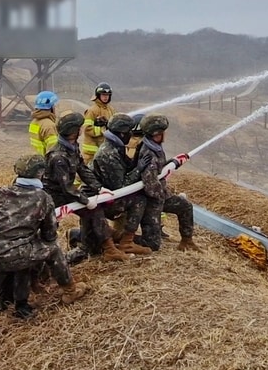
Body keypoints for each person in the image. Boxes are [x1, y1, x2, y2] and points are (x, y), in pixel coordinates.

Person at [0, 156, 88, 370]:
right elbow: (50, 235)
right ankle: (69, 290)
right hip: (20, 254)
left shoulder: (0, 192)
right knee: (53, 249)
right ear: (39, 173)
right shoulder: (43, 198)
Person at [45, 112, 121, 261]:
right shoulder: (58, 156)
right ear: (73, 131)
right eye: (79, 127)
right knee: (50, 231)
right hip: (53, 197)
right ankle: (53, 261)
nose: (81, 129)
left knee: (93, 211)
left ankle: (90, 247)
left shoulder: (71, 147)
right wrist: (85, 200)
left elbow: (82, 169)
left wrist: (98, 188)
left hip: (64, 193)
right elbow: (66, 187)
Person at [90, 113, 152, 256]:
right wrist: (139, 168)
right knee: (139, 200)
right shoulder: (109, 153)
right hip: (103, 202)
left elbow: (126, 167)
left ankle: (120, 237)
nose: (131, 135)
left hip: (106, 197)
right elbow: (121, 186)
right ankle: (126, 242)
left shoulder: (116, 146)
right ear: (122, 133)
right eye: (129, 131)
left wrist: (136, 158)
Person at [134, 114, 197, 252]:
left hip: (159, 197)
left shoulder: (155, 147)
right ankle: (119, 237)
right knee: (152, 244)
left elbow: (159, 170)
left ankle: (187, 241)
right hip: (151, 201)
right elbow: (150, 186)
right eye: (163, 132)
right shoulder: (149, 153)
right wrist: (164, 196)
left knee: (185, 206)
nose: (165, 134)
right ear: (157, 134)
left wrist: (174, 162)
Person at [80, 83, 115, 163]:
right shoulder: (92, 110)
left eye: (107, 95)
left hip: (104, 149)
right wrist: (102, 130)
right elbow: (87, 129)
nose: (106, 97)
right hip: (91, 152)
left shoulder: (111, 109)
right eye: (103, 95)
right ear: (98, 95)